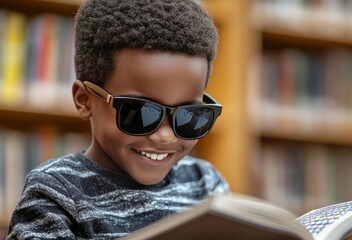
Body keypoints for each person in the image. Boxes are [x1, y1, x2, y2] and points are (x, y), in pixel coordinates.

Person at [7, 0, 229, 238]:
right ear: (84, 100)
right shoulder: (56, 192)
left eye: (189, 116)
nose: (166, 136)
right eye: (141, 113)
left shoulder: (205, 183)